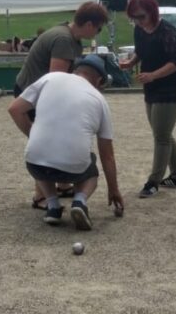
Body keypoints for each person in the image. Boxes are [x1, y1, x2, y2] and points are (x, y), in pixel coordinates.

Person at [8, 55, 124, 230]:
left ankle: (53, 206)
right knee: (91, 166)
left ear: (75, 71)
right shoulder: (100, 100)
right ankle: (80, 200)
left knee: (39, 154)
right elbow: (107, 156)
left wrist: (32, 135)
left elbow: (14, 109)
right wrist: (114, 190)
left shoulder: (50, 78)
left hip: (35, 164)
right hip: (74, 168)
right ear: (99, 80)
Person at [14, 2, 110, 209]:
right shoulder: (65, 41)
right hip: (33, 95)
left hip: (33, 89)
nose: (98, 33)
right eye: (99, 28)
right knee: (46, 139)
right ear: (90, 24)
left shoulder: (66, 33)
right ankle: (41, 196)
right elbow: (57, 80)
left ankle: (63, 184)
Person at [117, 0, 176, 198]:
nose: (138, 21)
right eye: (134, 18)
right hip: (152, 86)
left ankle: (153, 181)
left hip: (173, 88)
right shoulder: (140, 31)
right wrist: (131, 62)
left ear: (152, 11)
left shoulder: (167, 31)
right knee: (162, 133)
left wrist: (153, 75)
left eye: (141, 16)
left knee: (161, 136)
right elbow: (140, 51)